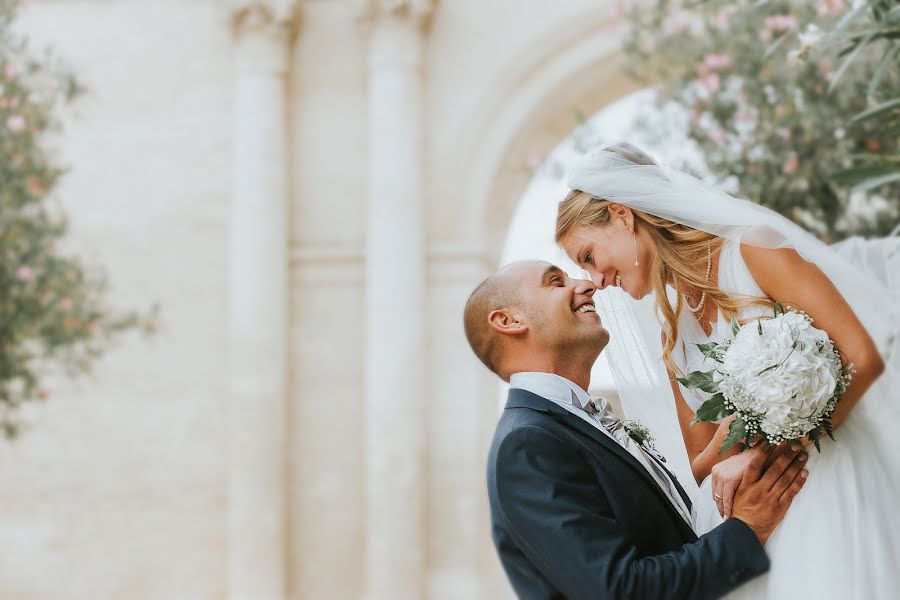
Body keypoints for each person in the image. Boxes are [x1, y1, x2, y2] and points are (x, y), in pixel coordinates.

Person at [555, 143, 900, 598]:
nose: (596, 281)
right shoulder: (671, 332)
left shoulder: (753, 249)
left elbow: (862, 357)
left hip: (830, 488)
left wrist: (759, 451)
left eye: (588, 257)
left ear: (622, 215)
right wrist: (741, 423)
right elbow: (701, 465)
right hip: (760, 524)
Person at [463, 260, 809, 599]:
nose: (587, 285)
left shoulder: (573, 421)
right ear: (508, 320)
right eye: (555, 281)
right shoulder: (527, 444)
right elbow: (620, 590)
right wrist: (747, 529)